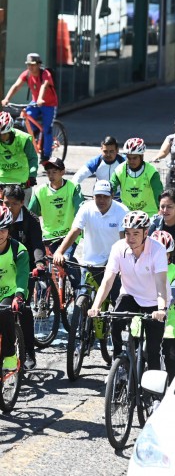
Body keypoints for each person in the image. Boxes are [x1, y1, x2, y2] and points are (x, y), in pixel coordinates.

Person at [88, 211, 168, 371]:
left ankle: (154, 393)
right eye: (127, 233)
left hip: (154, 300)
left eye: (136, 234)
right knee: (116, 324)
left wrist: (161, 309)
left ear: (146, 233)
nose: (131, 238)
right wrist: (96, 306)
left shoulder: (158, 250)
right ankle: (119, 366)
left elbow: (160, 283)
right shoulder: (118, 248)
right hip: (130, 294)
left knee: (153, 350)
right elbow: (108, 280)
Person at [1, 188, 41, 370]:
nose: (9, 207)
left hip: (22, 271)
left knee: (21, 309)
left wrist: (39, 263)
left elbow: (37, 245)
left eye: (14, 204)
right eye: (6, 203)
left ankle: (26, 354)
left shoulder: (30, 220)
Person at [28, 157, 83, 287]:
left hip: (69, 235)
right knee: (43, 271)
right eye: (48, 172)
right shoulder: (40, 191)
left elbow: (79, 213)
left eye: (55, 172)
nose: (51, 175)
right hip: (49, 237)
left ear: (63, 172)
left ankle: (79, 294)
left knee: (67, 261)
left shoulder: (73, 187)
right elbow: (31, 215)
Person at [149, 230, 175, 381]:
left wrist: (163, 309)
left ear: (170, 255)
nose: (160, 257)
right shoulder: (143, 265)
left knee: (173, 362)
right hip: (143, 316)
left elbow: (173, 295)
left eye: (165, 254)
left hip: (168, 318)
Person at [1, 53, 58, 161]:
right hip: (35, 103)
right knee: (25, 121)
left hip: (49, 104)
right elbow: (16, 86)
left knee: (47, 129)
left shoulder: (45, 74)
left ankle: (46, 155)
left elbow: (43, 87)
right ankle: (35, 133)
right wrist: (7, 98)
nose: (30, 67)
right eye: (28, 65)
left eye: (33, 65)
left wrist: (41, 98)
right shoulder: (27, 74)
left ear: (38, 65)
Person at [0, 205, 31, 372]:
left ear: (8, 230)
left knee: (4, 314)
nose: (0, 234)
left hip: (10, 291)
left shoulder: (18, 250)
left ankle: (11, 354)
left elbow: (22, 275)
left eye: (3, 230)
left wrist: (19, 296)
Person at [110, 138, 163, 216]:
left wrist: (160, 210)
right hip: (127, 214)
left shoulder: (151, 172)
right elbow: (111, 188)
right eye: (129, 158)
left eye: (134, 158)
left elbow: (158, 193)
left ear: (141, 156)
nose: (131, 161)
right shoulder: (119, 170)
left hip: (149, 214)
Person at [0, 111, 37, 188]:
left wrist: (32, 175)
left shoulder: (23, 139)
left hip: (22, 180)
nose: (1, 137)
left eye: (3, 134)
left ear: (9, 131)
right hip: (3, 179)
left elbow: (32, 158)